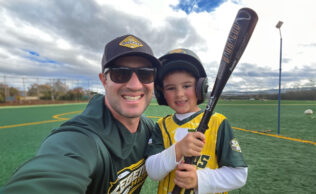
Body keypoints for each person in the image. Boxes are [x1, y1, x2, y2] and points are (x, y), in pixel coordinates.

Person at [0, 34, 161, 194]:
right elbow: (53, 172)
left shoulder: (148, 128)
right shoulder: (81, 138)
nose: (134, 85)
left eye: (145, 74)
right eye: (120, 73)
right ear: (104, 81)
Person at [145, 48, 248, 194]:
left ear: (201, 87)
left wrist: (199, 179)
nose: (179, 94)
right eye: (171, 88)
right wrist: (178, 150)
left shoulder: (218, 123)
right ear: (161, 94)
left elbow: (239, 176)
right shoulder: (162, 126)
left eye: (186, 86)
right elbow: (153, 172)